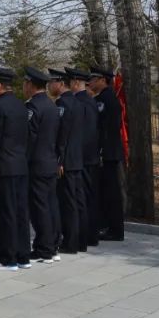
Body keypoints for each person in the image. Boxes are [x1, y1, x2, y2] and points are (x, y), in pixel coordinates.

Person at [0, 65, 30, 271]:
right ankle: (23, 255)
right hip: (20, 165)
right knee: (20, 212)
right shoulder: (22, 106)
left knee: (4, 213)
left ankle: (7, 257)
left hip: (3, 167)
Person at [24, 67, 59, 264]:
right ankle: (52, 245)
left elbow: (29, 139)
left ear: (30, 84)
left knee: (39, 208)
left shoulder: (32, 108)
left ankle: (44, 248)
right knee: (51, 205)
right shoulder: (52, 106)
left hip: (36, 164)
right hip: (50, 161)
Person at [50, 69, 85, 255]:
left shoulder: (63, 104)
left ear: (61, 84)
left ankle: (70, 242)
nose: (49, 86)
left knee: (68, 203)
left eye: (52, 82)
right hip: (77, 159)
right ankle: (79, 241)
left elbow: (62, 135)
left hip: (67, 161)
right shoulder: (78, 103)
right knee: (77, 201)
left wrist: (59, 160)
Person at [90, 66, 124, 241]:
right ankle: (107, 225)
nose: (91, 82)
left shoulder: (106, 100)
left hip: (107, 152)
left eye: (94, 79)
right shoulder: (103, 98)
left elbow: (104, 129)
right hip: (108, 151)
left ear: (103, 80)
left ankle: (114, 229)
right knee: (106, 191)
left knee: (111, 192)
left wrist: (101, 150)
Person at [68, 67, 101, 249]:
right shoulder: (88, 101)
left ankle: (86, 236)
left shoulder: (80, 103)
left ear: (75, 83)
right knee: (88, 198)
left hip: (84, 158)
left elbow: (84, 134)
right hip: (90, 157)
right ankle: (90, 235)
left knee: (83, 199)